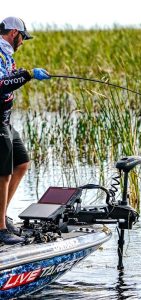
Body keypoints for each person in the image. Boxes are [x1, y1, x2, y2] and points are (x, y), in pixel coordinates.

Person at [0, 17, 51, 244]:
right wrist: (27, 74)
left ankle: (0, 217)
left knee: (21, 162)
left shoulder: (6, 55)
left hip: (5, 119)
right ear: (14, 33)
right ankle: (0, 230)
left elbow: (7, 76)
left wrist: (22, 72)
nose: (22, 43)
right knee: (3, 171)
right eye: (22, 38)